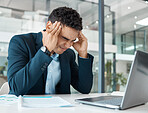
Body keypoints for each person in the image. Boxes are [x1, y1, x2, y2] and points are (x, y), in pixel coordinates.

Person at [7, 7, 94, 96]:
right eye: (64, 38)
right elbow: (15, 88)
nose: (68, 46)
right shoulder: (21, 43)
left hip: (59, 108)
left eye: (72, 40)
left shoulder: (68, 54)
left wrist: (83, 54)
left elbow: (84, 88)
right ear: (49, 26)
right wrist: (46, 51)